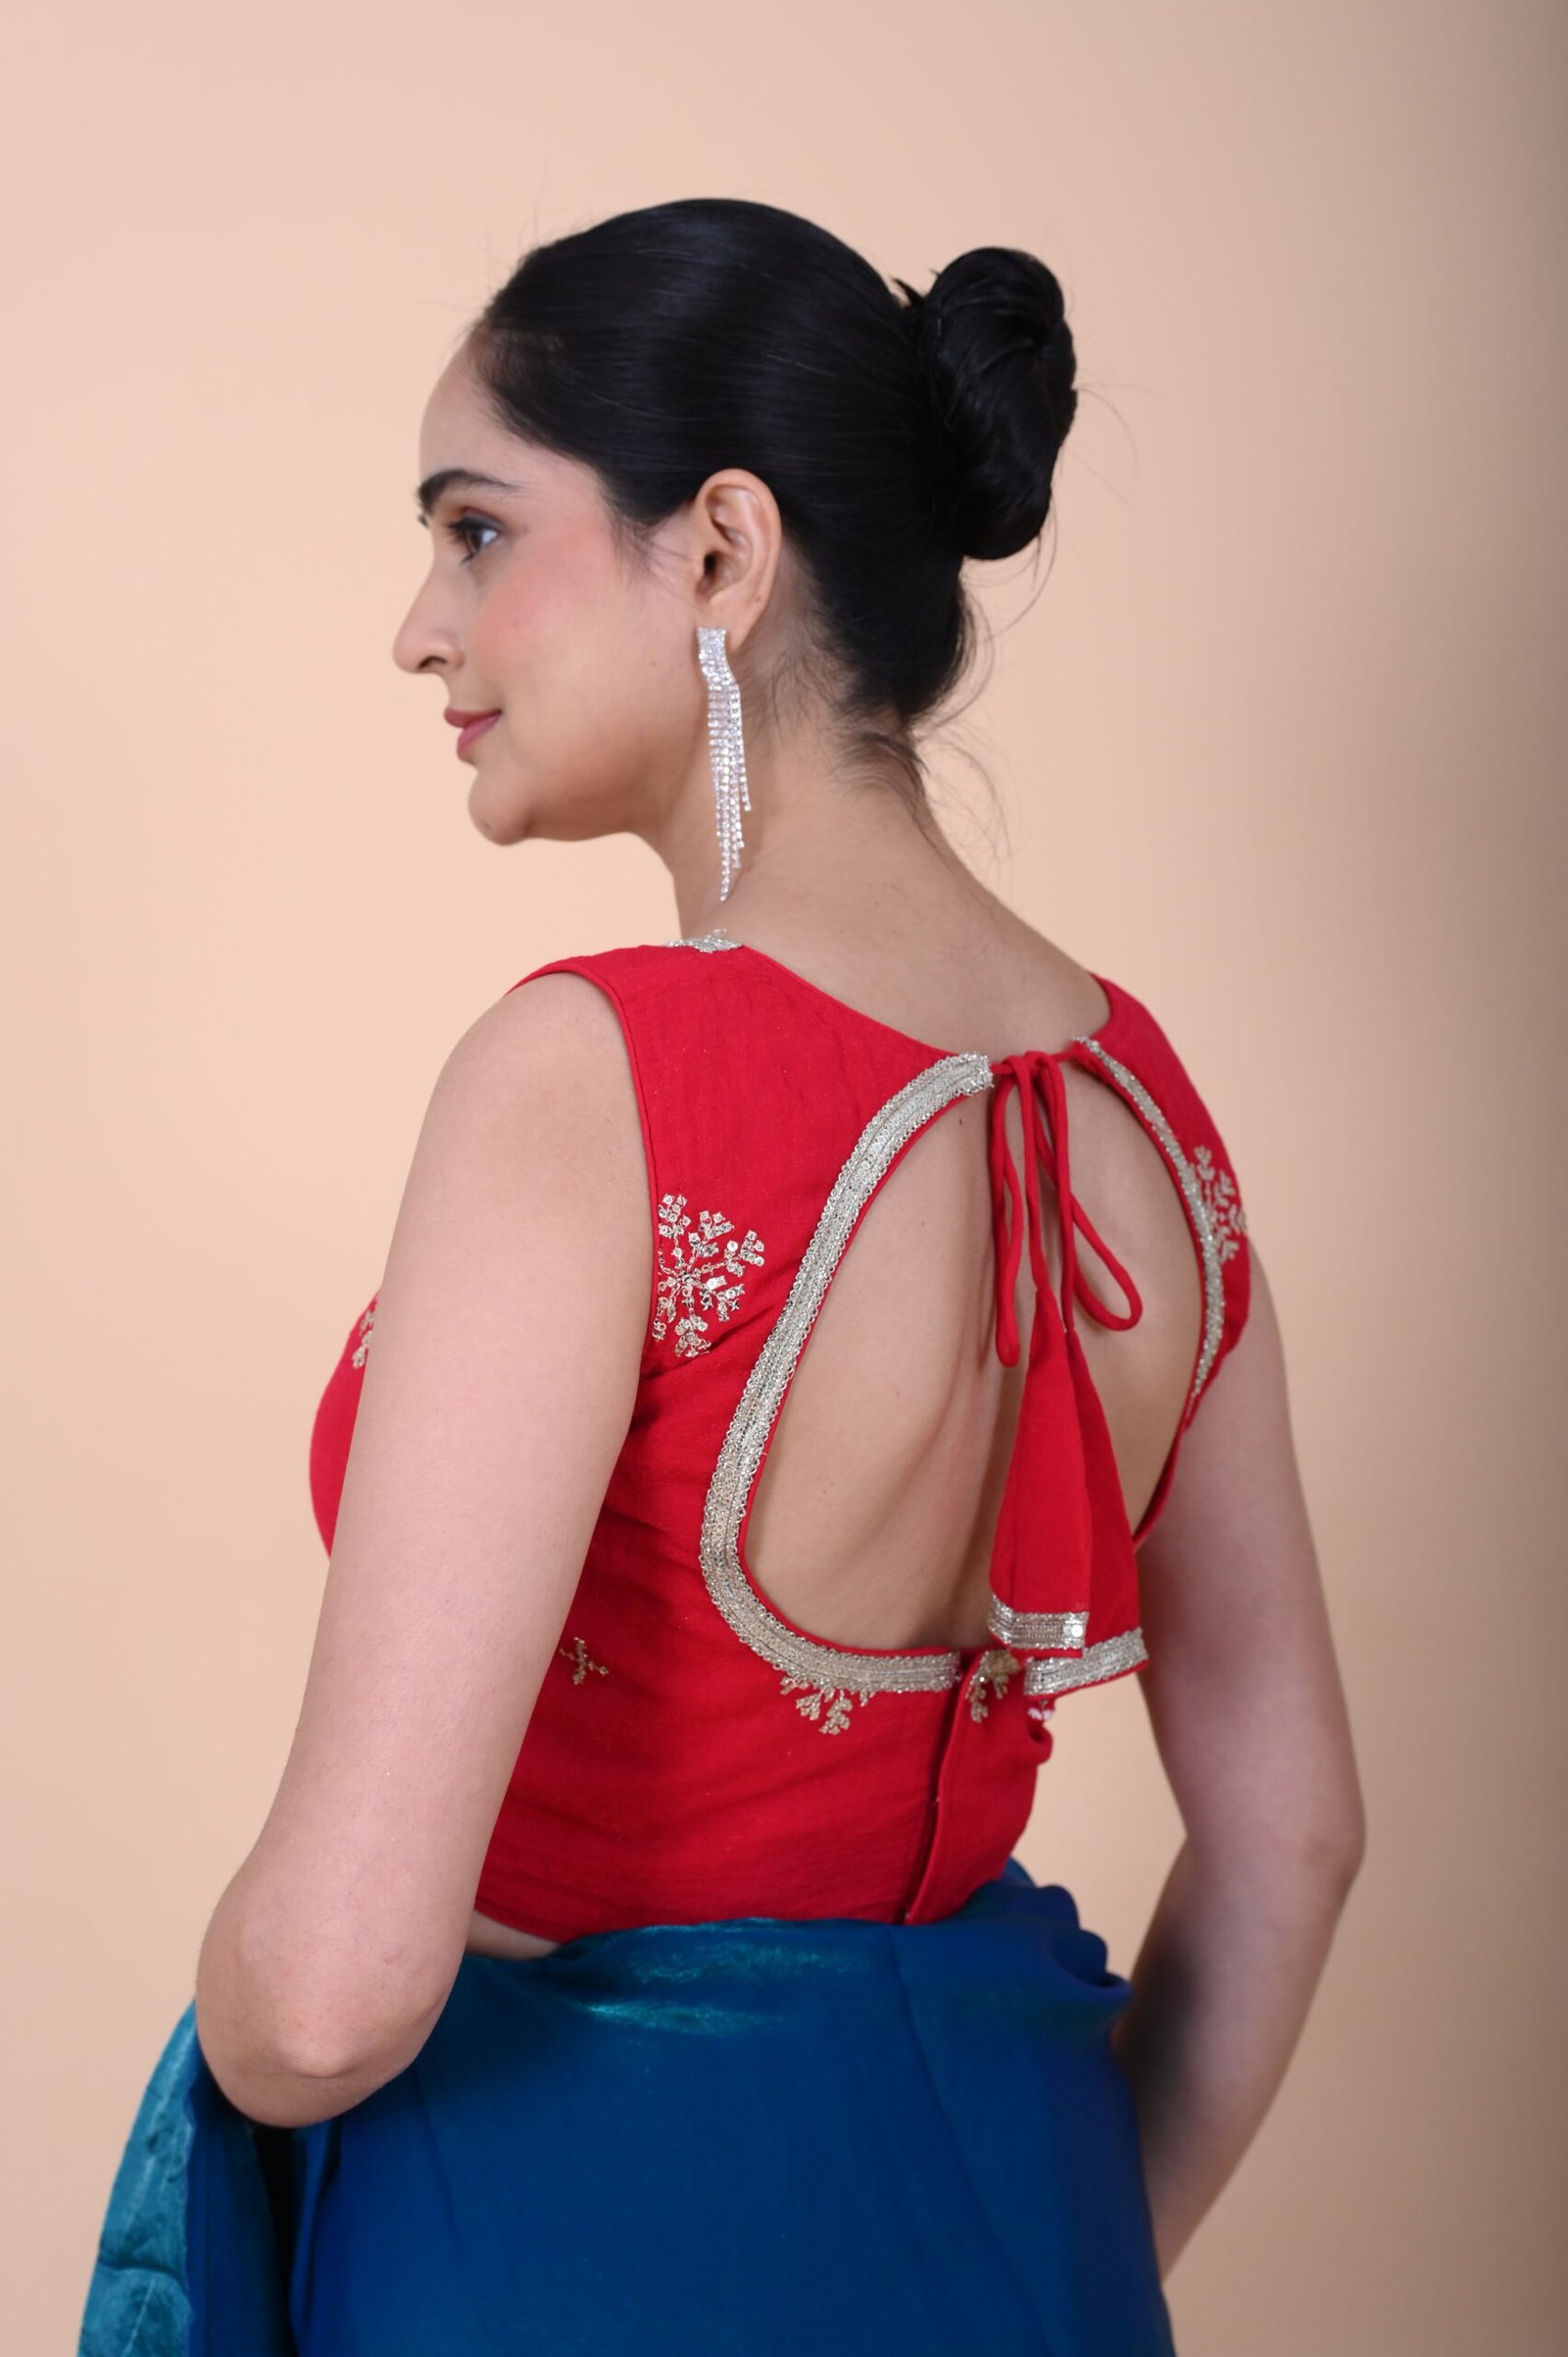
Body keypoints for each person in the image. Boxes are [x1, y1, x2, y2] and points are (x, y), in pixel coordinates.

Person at [78, 195, 1365, 2356]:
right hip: (1012, 2219)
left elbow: (330, 1989)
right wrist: (1034, 2264)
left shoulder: (592, 1078)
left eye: (477, 530)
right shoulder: (1148, 1105)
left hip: (553, 2234)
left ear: (719, 553)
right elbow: (1293, 1834)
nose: (419, 627)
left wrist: (228, 2047)